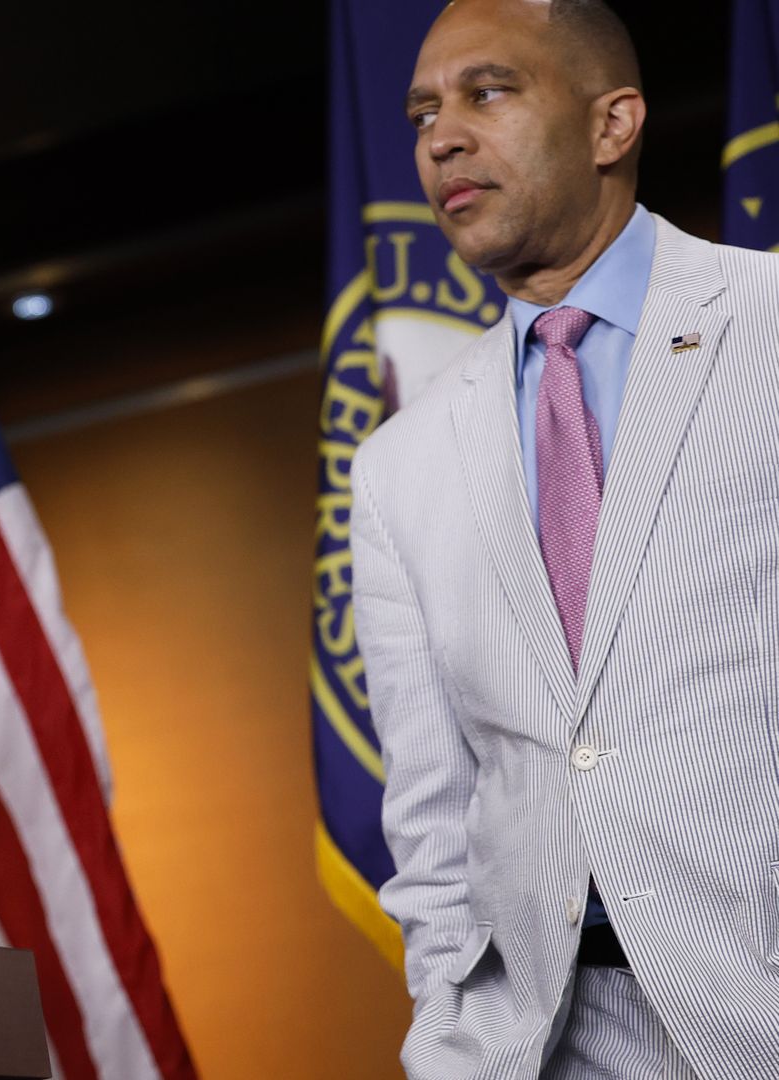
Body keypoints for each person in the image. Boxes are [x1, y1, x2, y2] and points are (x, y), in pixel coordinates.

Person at [355, 1, 779, 1075]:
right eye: (422, 113)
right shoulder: (400, 463)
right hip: (529, 1042)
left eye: (486, 92)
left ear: (613, 124)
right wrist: (447, 1025)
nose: (441, 136)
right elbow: (431, 804)